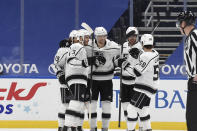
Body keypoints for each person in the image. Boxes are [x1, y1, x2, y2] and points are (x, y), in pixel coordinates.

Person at [120, 34, 159, 131]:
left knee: (131, 109)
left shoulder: (145, 56)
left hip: (144, 88)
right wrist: (139, 54)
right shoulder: (155, 53)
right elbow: (145, 58)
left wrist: (125, 65)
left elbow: (136, 73)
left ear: (142, 43)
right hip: (150, 86)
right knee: (143, 110)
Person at [84, 27, 120, 131]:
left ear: (106, 36)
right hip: (92, 81)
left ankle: (105, 128)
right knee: (92, 106)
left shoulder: (113, 47)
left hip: (107, 80)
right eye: (99, 36)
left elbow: (122, 54)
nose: (102, 38)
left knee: (106, 106)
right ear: (95, 36)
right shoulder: (87, 46)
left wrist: (120, 62)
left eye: (104, 36)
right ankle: (93, 128)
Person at [62, 32, 90, 131]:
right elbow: (72, 61)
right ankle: (66, 126)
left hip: (78, 78)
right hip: (76, 77)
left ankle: (73, 126)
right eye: (86, 37)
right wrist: (85, 62)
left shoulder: (79, 47)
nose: (88, 39)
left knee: (80, 103)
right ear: (80, 38)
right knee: (77, 101)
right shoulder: (77, 46)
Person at [176, 11, 197, 131]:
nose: (179, 26)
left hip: (195, 83)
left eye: (179, 23)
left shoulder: (194, 35)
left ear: (184, 23)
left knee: (192, 119)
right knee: (192, 118)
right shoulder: (191, 37)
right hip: (193, 82)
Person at [121, 27, 143, 131]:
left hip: (136, 82)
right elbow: (119, 60)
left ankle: (141, 127)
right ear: (127, 36)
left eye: (134, 35)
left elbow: (144, 63)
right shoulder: (124, 46)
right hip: (124, 81)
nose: (132, 38)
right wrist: (121, 63)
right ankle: (130, 128)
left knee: (136, 107)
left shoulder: (141, 47)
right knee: (125, 107)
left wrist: (138, 55)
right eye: (130, 36)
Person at [52, 39, 72, 131]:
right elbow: (56, 64)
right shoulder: (64, 50)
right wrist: (60, 75)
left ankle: (63, 126)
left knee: (66, 104)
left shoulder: (61, 51)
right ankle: (63, 126)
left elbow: (55, 65)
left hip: (70, 80)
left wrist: (60, 74)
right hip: (69, 81)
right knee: (67, 104)